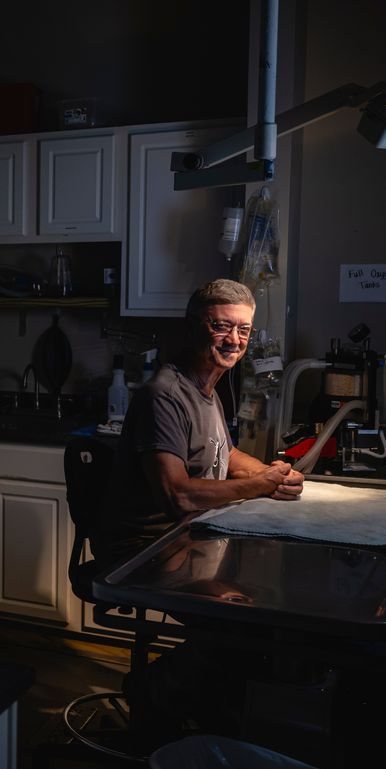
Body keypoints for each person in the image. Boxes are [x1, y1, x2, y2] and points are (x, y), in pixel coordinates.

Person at [96, 278, 305, 738]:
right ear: (195, 327)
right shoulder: (165, 395)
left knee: (263, 610)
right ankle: (154, 693)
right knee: (242, 624)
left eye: (244, 331)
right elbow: (179, 494)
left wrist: (271, 472)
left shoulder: (207, 391)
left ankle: (206, 719)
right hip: (142, 551)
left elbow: (222, 454)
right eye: (221, 327)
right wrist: (259, 489)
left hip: (184, 541)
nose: (234, 340)